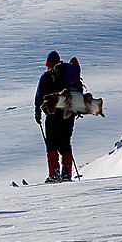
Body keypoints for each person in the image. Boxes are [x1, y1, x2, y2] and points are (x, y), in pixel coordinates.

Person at [34, 51, 76, 182]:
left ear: (48, 65)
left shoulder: (46, 77)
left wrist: (37, 111)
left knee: (51, 142)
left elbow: (39, 96)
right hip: (70, 112)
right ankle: (67, 173)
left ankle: (54, 173)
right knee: (65, 142)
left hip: (53, 114)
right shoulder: (67, 76)